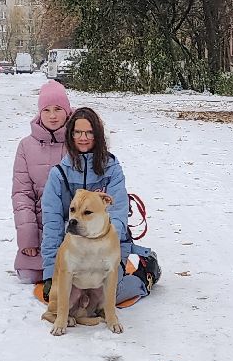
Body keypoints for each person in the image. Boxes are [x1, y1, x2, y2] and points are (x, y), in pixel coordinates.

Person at [36, 106, 160, 308]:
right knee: (66, 302)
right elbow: (52, 225)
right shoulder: (59, 174)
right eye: (77, 132)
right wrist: (51, 273)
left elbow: (118, 216)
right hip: (75, 252)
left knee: (104, 300)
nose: (83, 138)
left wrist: (100, 254)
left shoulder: (111, 168)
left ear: (98, 134)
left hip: (107, 249)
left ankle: (145, 274)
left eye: (89, 132)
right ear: (70, 135)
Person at [11, 81, 70, 284]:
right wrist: (28, 237)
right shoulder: (26, 146)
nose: (52, 115)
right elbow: (22, 194)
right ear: (39, 113)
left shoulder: (78, 140)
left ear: (67, 111)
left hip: (73, 226)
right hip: (40, 227)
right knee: (30, 276)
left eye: (58, 109)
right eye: (46, 110)